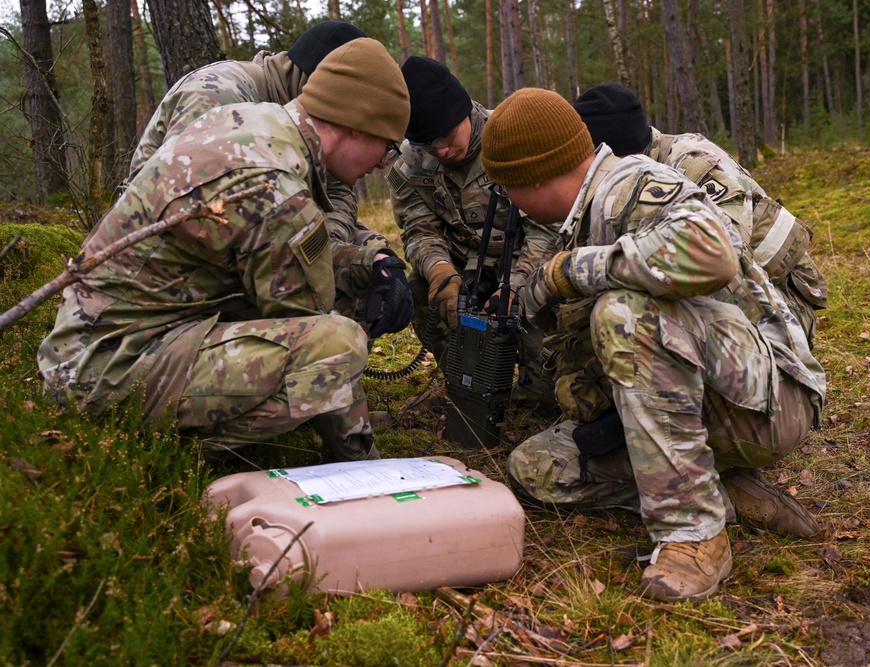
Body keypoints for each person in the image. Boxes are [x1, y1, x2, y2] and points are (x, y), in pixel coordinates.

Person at [480, 88, 826, 602]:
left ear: (532, 177)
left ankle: (695, 537)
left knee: (623, 316)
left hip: (770, 402)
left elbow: (713, 254)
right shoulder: (580, 217)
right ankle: (719, 488)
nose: (509, 202)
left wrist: (569, 272)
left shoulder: (631, 185)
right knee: (536, 467)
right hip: (710, 399)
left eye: (507, 188)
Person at [38, 39, 411, 462]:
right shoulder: (279, 192)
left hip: (92, 345)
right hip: (109, 371)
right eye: (388, 147)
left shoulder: (247, 122)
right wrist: (369, 462)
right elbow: (314, 341)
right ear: (357, 125)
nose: (383, 164)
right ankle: (163, 452)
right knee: (339, 343)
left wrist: (366, 261)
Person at [130, 21, 411, 335]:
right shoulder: (220, 92)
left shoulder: (306, 126)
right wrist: (322, 259)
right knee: (329, 313)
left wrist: (353, 251)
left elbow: (335, 191)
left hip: (249, 235)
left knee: (371, 257)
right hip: (168, 273)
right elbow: (189, 214)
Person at [573, 83, 826, 346]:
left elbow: (724, 251)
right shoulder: (640, 169)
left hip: (782, 307)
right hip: (743, 302)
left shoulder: (690, 162)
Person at [388, 56, 558, 410]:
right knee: (420, 287)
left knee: (543, 396)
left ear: (464, 112)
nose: (443, 151)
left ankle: (533, 394)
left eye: (448, 138)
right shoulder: (411, 162)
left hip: (530, 265)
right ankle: (464, 385)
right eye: (430, 145)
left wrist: (518, 285)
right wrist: (439, 271)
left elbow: (547, 228)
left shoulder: (513, 136)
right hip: (465, 270)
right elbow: (418, 228)